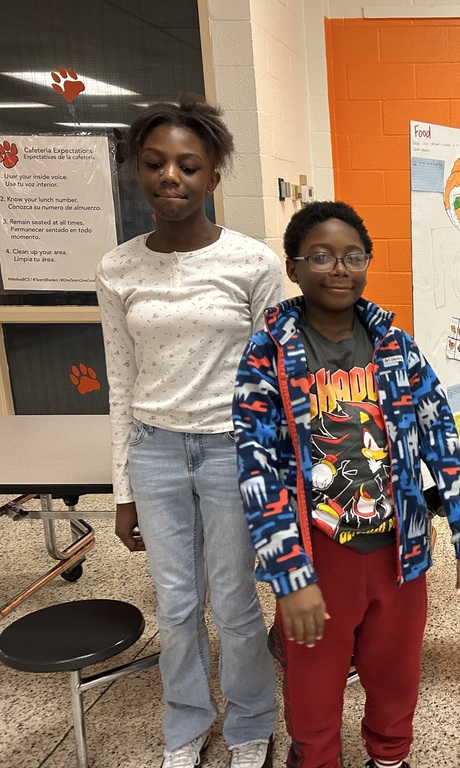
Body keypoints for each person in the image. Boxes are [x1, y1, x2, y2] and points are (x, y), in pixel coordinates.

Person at [232, 200, 460, 768]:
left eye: (353, 256)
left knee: (395, 674)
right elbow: (256, 468)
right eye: (320, 257)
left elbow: (440, 439)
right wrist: (290, 577)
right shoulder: (266, 355)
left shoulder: (397, 348)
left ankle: (389, 756)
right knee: (314, 686)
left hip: (400, 551)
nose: (339, 268)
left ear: (368, 263)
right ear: (293, 267)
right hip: (320, 556)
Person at [96, 95, 282, 768]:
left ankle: (251, 723)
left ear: (213, 177)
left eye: (188, 165)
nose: (169, 177)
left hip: (234, 453)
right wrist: (122, 490)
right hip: (155, 453)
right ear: (137, 171)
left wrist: (277, 481)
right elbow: (120, 383)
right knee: (175, 607)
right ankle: (184, 725)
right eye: (154, 163)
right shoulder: (117, 269)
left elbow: (276, 382)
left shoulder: (254, 265)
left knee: (234, 602)